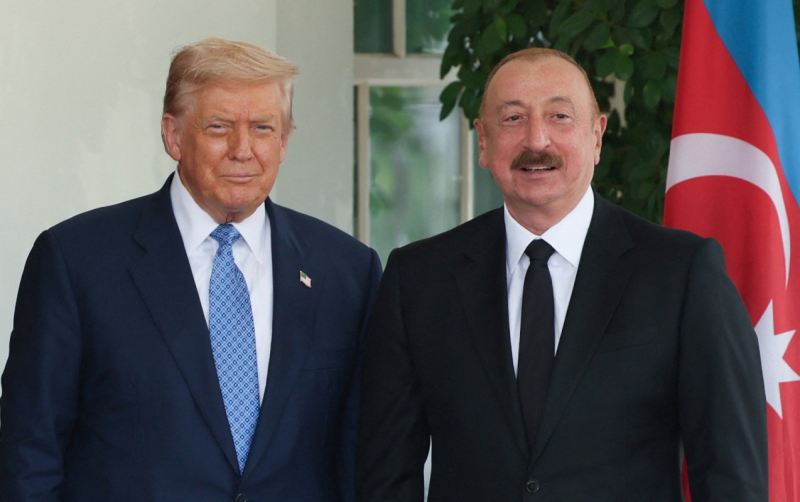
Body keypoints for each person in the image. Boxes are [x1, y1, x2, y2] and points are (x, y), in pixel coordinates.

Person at [356, 47, 767, 501]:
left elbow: (731, 477)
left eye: (559, 117)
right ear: (483, 141)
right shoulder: (418, 279)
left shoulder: (682, 274)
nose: (537, 140)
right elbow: (385, 477)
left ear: (597, 137)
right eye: (513, 119)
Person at [0, 38, 380, 501]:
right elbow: (29, 452)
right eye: (219, 127)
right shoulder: (76, 261)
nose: (243, 150)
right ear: (173, 136)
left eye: (263, 128)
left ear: (284, 141)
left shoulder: (348, 271)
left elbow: (364, 453)